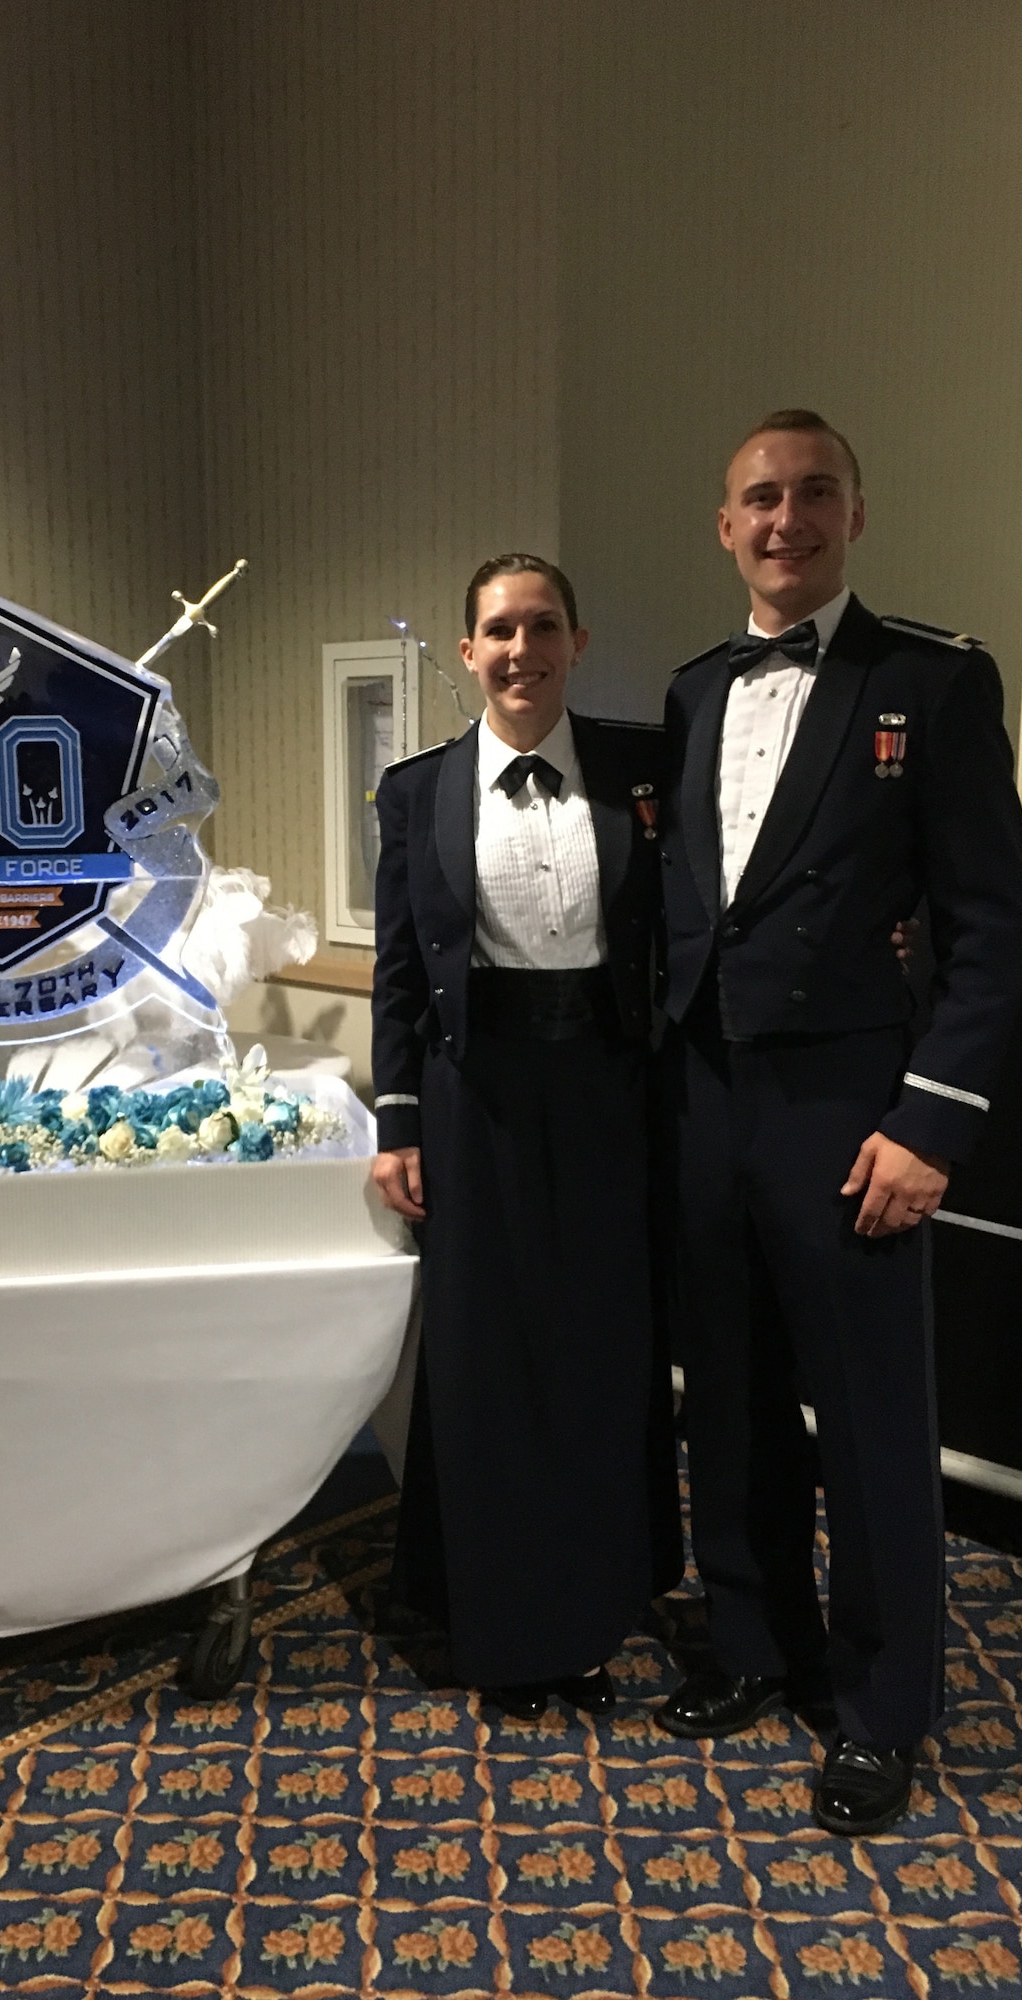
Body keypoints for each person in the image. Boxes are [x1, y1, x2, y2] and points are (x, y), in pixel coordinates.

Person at [656, 409, 1022, 1834]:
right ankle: (757, 1645)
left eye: (815, 494)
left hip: (853, 1111)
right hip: (705, 1100)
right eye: (759, 496)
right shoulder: (693, 691)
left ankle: (883, 1707)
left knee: (874, 1422)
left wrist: (929, 1124)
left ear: (856, 516)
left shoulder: (929, 682)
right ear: (724, 524)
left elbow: (990, 927)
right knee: (732, 1395)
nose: (785, 518)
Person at [370, 553, 682, 1721]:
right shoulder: (415, 791)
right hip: (473, 1098)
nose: (520, 649)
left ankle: (587, 1614)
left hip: (608, 1091)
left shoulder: (642, 767)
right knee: (488, 1363)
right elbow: (399, 973)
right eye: (498, 629)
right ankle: (504, 1630)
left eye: (541, 625)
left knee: (598, 1354)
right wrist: (397, 1116)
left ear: (575, 640)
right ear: (467, 651)